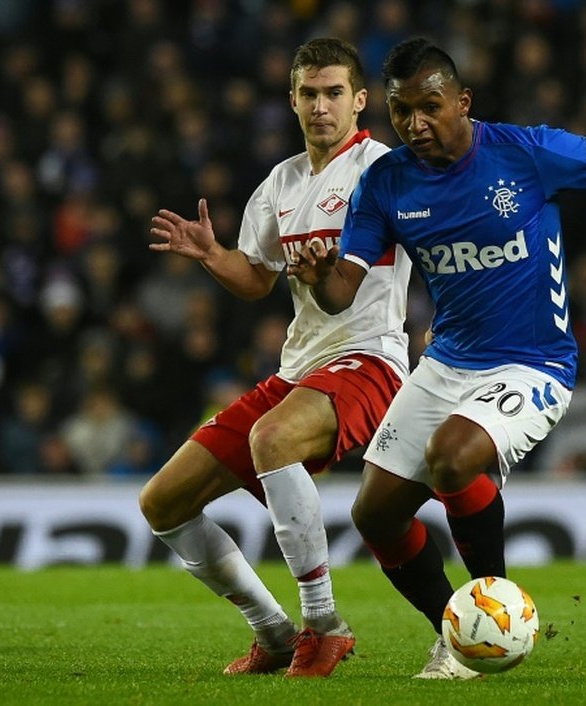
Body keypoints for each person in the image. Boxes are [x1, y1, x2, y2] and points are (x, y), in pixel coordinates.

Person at [289, 38, 586, 679]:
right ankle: (459, 634)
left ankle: (494, 606)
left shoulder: (526, 153)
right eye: (402, 111)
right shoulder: (385, 183)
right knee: (373, 513)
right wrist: (319, 277)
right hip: (449, 360)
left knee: (452, 457)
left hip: (534, 363)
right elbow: (342, 292)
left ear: (462, 101)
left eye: (430, 107)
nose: (416, 124)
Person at [138, 38, 410, 678]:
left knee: (272, 439)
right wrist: (212, 257)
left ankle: (324, 625)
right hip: (300, 368)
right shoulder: (281, 182)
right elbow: (257, 278)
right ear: (292, 100)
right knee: (163, 502)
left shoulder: (384, 171)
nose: (321, 106)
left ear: (359, 100)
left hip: (370, 358)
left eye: (334, 93)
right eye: (309, 94)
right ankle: (275, 631)